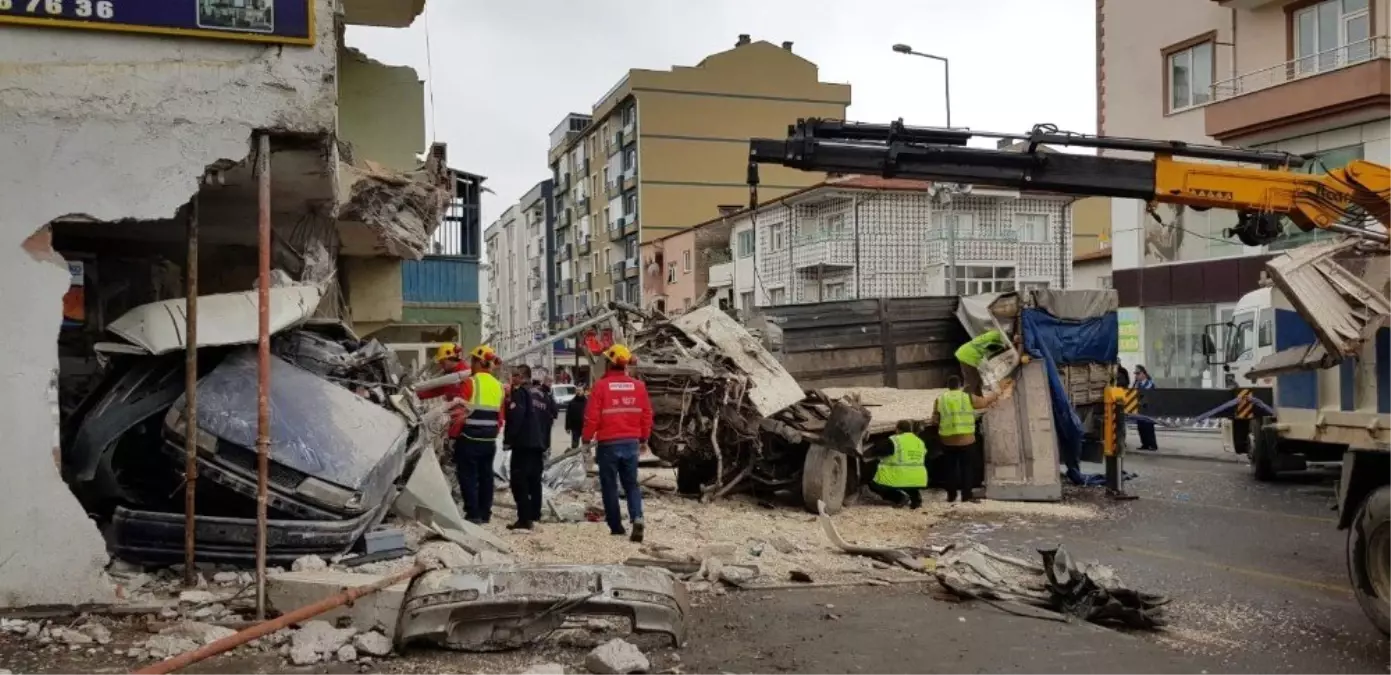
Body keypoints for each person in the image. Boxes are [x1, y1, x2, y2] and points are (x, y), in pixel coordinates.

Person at [582, 343, 654, 542]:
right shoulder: (639, 387)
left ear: (609, 363)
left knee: (610, 486)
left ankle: (616, 526)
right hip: (631, 443)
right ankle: (637, 516)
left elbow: (591, 418)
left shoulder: (601, 387)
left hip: (608, 444)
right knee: (631, 484)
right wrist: (644, 438)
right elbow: (647, 415)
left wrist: (586, 439)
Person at [448, 345, 505, 524]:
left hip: (470, 438)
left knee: (468, 476)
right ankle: (485, 513)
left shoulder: (470, 383)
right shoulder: (499, 386)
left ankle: (473, 514)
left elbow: (459, 415)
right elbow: (500, 418)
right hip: (489, 439)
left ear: (480, 362)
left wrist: (453, 436)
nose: (470, 364)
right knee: (486, 476)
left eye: (473, 360)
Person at [936, 374, 1012, 503]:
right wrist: (999, 391)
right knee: (967, 468)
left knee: (950, 469)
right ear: (960, 385)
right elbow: (985, 402)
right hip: (966, 440)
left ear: (948, 387)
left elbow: (936, 418)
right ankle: (966, 496)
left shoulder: (940, 399)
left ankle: (951, 496)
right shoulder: (967, 397)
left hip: (947, 440)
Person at [504, 365, 549, 530]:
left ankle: (524, 519)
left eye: (514, 375)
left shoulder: (520, 394)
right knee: (534, 481)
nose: (511, 379)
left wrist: (508, 440)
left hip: (523, 444)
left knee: (519, 481)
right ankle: (535, 514)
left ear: (520, 377)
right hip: (539, 443)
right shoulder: (541, 394)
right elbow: (550, 416)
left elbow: (516, 418)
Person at [868, 420, 928, 509]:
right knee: (910, 482)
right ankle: (916, 499)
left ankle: (899, 498)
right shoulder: (919, 442)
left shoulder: (895, 440)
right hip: (919, 479)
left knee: (873, 483)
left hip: (900, 477)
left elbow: (876, 451)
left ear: (898, 430)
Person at [954, 329, 1010, 395]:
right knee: (972, 380)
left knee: (977, 379)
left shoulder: (992, 334)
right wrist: (1005, 346)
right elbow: (992, 347)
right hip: (967, 356)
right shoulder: (991, 342)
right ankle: (964, 399)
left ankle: (979, 398)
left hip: (964, 352)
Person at [1133, 365, 1158, 451]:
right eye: (1135, 373)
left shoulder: (1149, 383)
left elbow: (1148, 395)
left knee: (1148, 427)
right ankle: (1145, 444)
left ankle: (1152, 445)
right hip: (1139, 410)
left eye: (1138, 373)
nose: (1136, 375)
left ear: (1143, 374)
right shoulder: (1136, 384)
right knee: (1141, 427)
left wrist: (1140, 401)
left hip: (1148, 410)